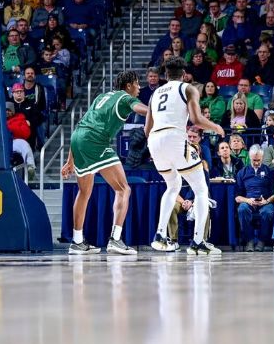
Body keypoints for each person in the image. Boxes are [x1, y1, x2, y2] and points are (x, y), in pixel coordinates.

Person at [61, 71, 148, 255]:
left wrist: (70, 160)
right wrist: (158, 111)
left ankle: (77, 242)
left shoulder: (102, 96)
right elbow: (142, 109)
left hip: (78, 138)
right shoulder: (125, 98)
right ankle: (115, 239)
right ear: (129, 86)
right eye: (137, 84)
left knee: (84, 192)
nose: (139, 88)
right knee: (124, 189)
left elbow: (81, 123)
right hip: (95, 141)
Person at [143, 58, 226, 255]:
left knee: (173, 186)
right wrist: (216, 127)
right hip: (173, 136)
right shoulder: (188, 88)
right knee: (201, 190)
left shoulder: (154, 93)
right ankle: (198, 242)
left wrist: (159, 146)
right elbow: (196, 119)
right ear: (183, 75)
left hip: (154, 140)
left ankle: (160, 236)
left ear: (165, 75)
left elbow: (146, 128)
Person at [235, 145, 274, 252]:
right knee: (242, 209)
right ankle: (249, 241)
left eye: (259, 160)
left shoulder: (269, 171)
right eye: (254, 160)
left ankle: (262, 241)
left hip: (265, 201)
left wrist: (266, 201)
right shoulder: (242, 172)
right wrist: (248, 200)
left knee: (268, 211)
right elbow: (237, 197)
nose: (257, 163)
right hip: (248, 201)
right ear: (249, 157)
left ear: (262, 158)